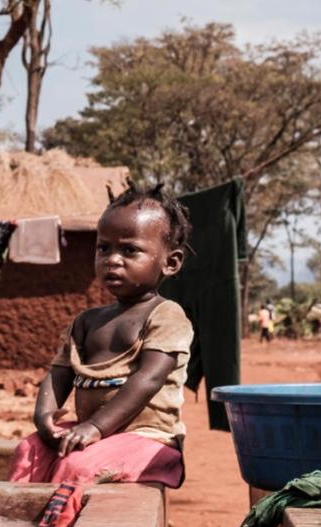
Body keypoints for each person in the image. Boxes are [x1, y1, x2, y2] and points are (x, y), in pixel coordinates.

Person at [10, 187, 192, 490]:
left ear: (170, 263)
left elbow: (148, 379)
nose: (112, 260)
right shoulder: (86, 322)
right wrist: (44, 417)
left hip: (146, 439)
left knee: (78, 467)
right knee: (28, 452)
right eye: (103, 249)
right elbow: (59, 374)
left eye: (130, 250)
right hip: (92, 433)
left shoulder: (165, 315)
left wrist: (95, 426)